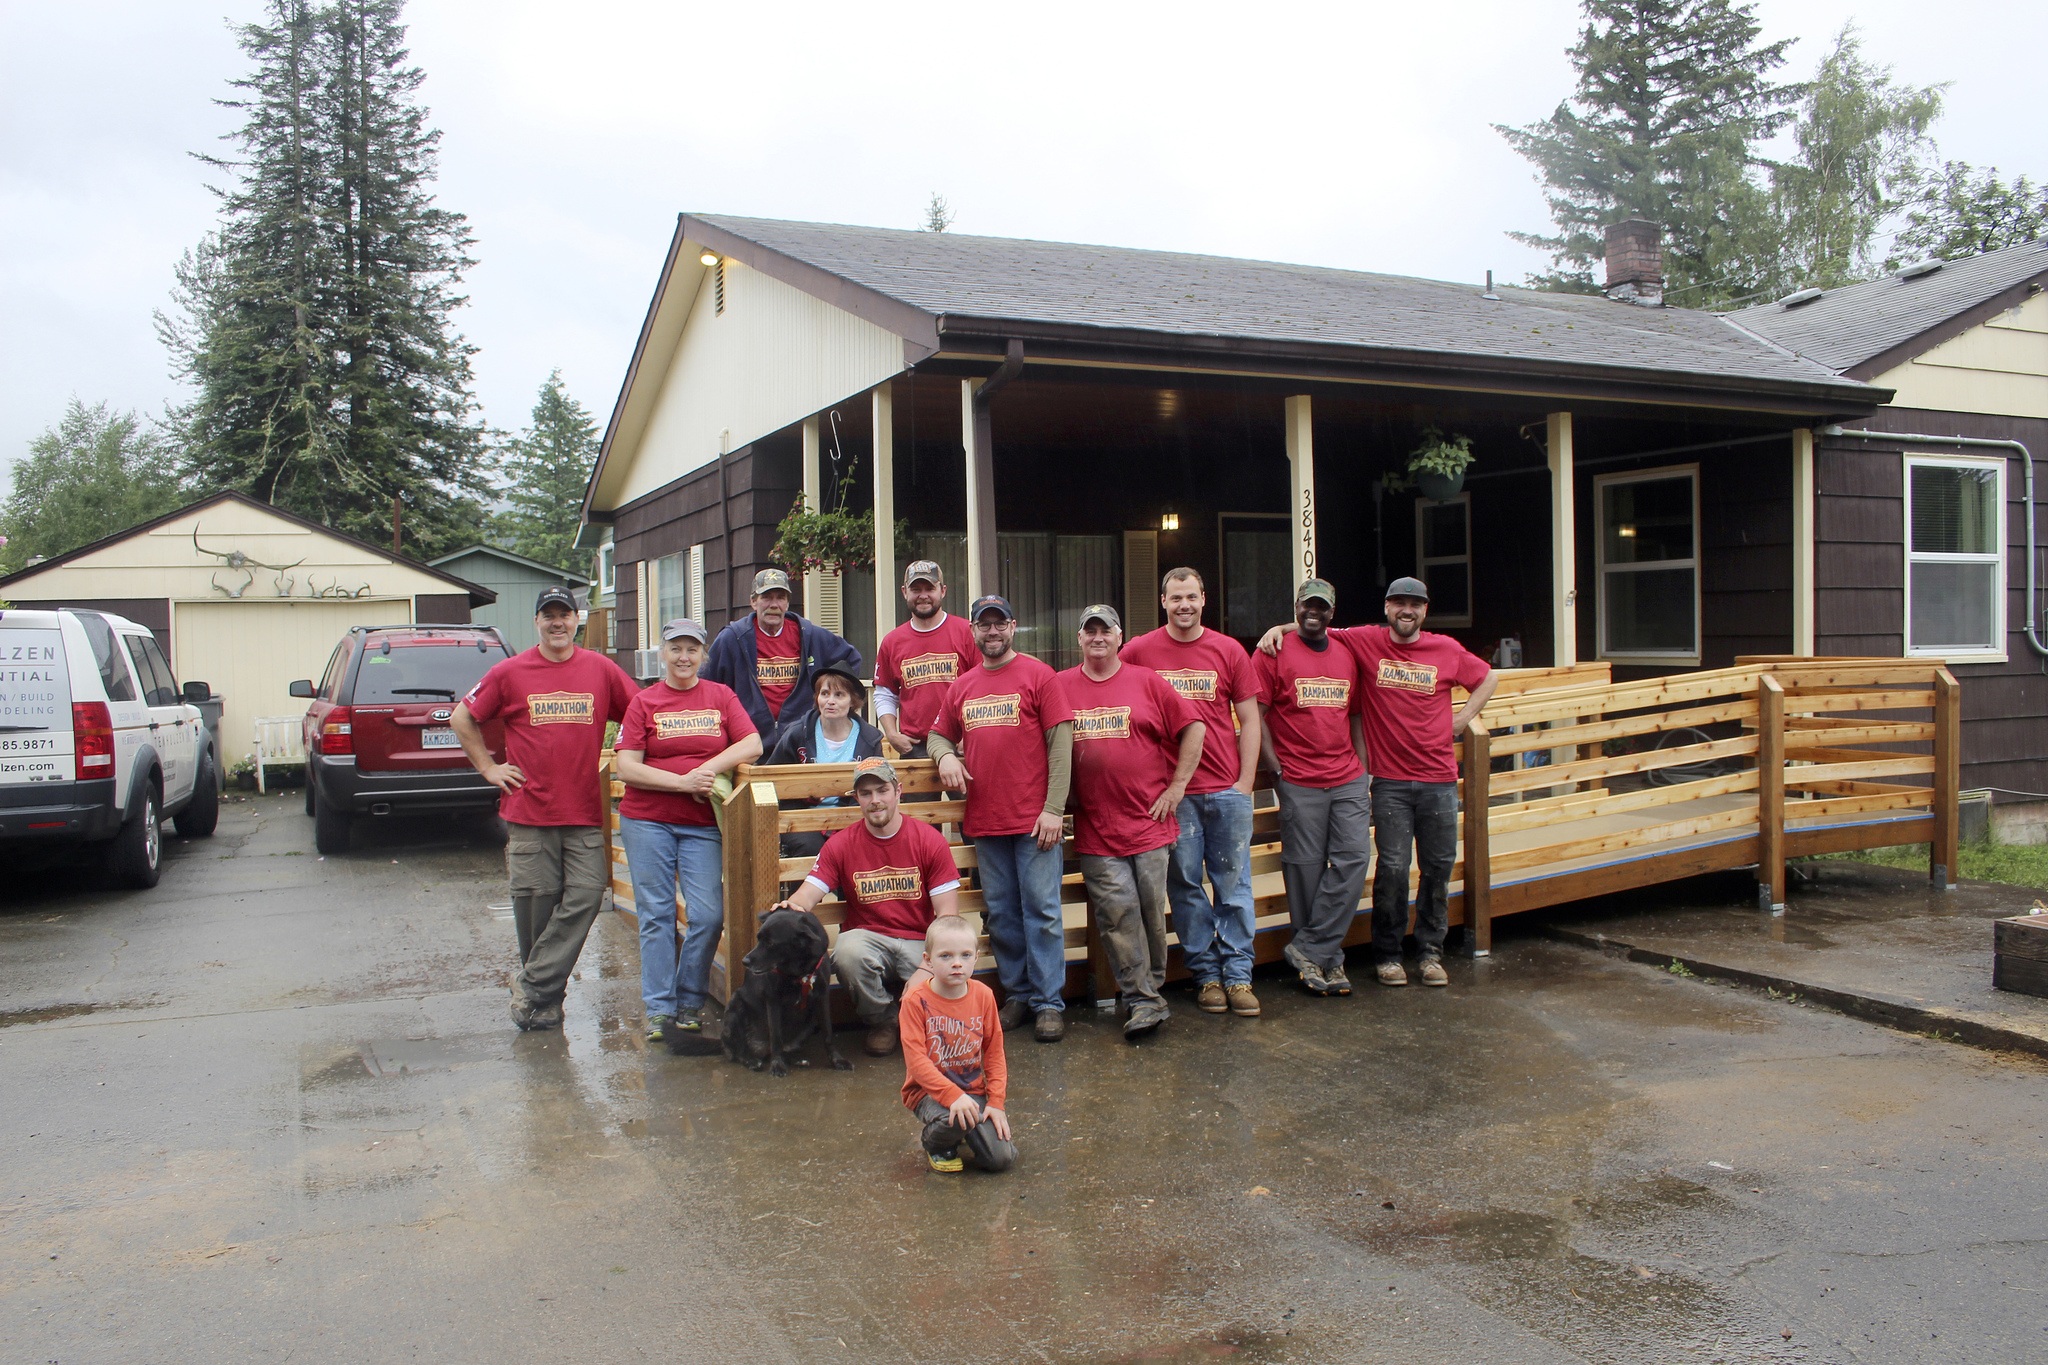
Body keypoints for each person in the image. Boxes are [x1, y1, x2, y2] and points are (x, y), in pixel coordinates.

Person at [452, 586, 639, 1031]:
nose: (558, 622)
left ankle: (531, 985)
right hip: (529, 813)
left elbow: (640, 714)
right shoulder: (510, 672)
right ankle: (547, 1003)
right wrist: (490, 768)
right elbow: (463, 717)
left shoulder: (601, 669)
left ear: (576, 620)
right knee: (535, 907)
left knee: (588, 896)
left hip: (583, 813)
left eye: (565, 614)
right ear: (537, 622)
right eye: (549, 615)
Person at [1325, 577, 1498, 987]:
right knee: (1394, 868)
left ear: (1425, 610)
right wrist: (1275, 632)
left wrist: (1462, 719)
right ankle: (1387, 954)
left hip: (1438, 779)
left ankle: (1431, 952)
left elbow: (1488, 678)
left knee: (1437, 868)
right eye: (1399, 603)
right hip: (1390, 782)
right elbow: (1314, 627)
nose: (1407, 610)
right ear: (1387, 608)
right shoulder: (1367, 640)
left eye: (1415, 604)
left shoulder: (1446, 649)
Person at [927, 595, 1076, 1043]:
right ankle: (1020, 995)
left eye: (999, 624)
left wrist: (1054, 809)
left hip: (1035, 822)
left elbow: (1061, 743)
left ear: (1013, 627)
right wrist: (943, 757)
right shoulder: (963, 685)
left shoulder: (1038, 676)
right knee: (1004, 915)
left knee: (1043, 912)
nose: (992, 632)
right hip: (985, 821)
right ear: (973, 631)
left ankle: (1050, 1003)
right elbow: (938, 733)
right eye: (983, 625)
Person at [1056, 605, 1205, 1040]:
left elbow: (1193, 727)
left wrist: (1177, 787)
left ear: (1120, 637)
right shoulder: (1060, 686)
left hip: (1149, 823)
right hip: (1097, 828)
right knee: (1117, 914)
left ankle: (1150, 990)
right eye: (1090, 631)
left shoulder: (1147, 681)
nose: (1098, 637)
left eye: (1106, 630)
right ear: (1079, 639)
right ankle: (1142, 1000)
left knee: (1150, 912)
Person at [1122, 567, 1263, 1019]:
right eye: (1175, 597)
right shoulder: (1141, 651)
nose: (1184, 605)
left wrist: (1245, 783)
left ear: (1204, 599)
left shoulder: (1228, 650)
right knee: (1184, 887)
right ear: (1162, 601)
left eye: (1191, 597)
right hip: (1171, 798)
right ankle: (1206, 976)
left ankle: (1239, 975)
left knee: (1233, 885)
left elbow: (1250, 719)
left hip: (1226, 789)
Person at [613, 618, 762, 1042]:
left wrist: (706, 769)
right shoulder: (645, 702)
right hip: (647, 820)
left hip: (701, 826)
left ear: (703, 655)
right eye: (676, 648)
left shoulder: (720, 696)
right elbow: (627, 766)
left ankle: (690, 999)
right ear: (663, 653)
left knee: (708, 915)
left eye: (692, 649)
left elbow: (752, 744)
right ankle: (661, 1009)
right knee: (657, 915)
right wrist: (681, 783)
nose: (683, 657)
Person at [772, 757, 962, 1056]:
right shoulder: (841, 844)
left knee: (953, 965)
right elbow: (808, 894)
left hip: (920, 943)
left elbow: (948, 918)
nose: (875, 801)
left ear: (898, 791)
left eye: (882, 790)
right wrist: (789, 907)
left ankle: (923, 1018)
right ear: (856, 798)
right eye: (865, 793)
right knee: (847, 951)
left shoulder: (929, 840)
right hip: (868, 940)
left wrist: (926, 967)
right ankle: (883, 1021)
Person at [1250, 578, 1371, 998]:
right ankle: (1327, 963)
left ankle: (1308, 949)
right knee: (1304, 868)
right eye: (1306, 605)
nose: (1313, 612)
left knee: (1355, 859)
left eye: (1322, 606)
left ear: (1332, 613)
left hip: (1347, 776)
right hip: (1298, 777)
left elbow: (1355, 715)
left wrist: (1364, 768)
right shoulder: (1273, 652)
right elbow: (1256, 714)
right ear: (1296, 606)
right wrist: (1274, 766)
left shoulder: (1347, 652)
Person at [899, 914, 1015, 1174]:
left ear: (976, 957)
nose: (956, 964)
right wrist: (953, 1097)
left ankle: (962, 1127)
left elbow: (994, 1052)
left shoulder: (984, 996)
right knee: (956, 1120)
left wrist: (996, 1102)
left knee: (1001, 1160)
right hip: (928, 1092)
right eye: (945, 956)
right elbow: (917, 1062)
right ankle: (935, 1142)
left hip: (972, 1091)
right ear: (928, 961)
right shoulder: (915, 1001)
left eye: (965, 955)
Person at [704, 568, 863, 753]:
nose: (774, 604)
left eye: (780, 597)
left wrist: (828, 695)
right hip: (749, 746)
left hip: (802, 743)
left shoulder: (811, 636)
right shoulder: (732, 639)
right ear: (753, 602)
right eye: (766, 597)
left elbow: (851, 659)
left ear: (787, 603)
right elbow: (709, 689)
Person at [765, 665, 886, 859]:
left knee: (854, 847)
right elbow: (771, 777)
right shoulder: (797, 733)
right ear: (817, 698)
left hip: (852, 817)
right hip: (802, 818)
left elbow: (879, 783)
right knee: (810, 848)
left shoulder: (869, 739)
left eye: (839, 695)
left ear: (852, 701)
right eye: (825, 693)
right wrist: (806, 792)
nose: (830, 701)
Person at [872, 560, 977, 760]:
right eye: (916, 589)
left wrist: (973, 732)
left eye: (930, 588)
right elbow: (885, 693)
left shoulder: (967, 632)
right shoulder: (892, 642)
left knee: (974, 793)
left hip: (962, 742)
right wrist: (892, 734)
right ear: (904, 592)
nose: (923, 595)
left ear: (943, 591)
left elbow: (983, 686)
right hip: (916, 746)